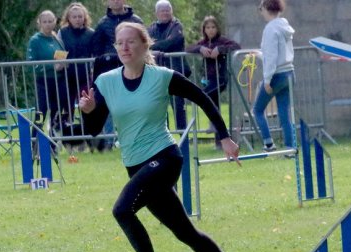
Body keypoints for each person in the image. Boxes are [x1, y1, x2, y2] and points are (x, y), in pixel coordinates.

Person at [79, 22, 254, 252]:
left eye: (130, 42)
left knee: (122, 210)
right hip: (135, 165)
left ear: (144, 45)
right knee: (186, 233)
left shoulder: (161, 77)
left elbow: (202, 97)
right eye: (119, 43)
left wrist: (224, 137)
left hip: (165, 157)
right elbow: (94, 129)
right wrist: (89, 111)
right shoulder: (106, 81)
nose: (124, 47)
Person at [91, 0, 143, 150]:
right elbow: (96, 48)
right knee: (108, 105)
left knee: (133, 103)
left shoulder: (136, 21)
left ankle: (134, 138)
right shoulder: (102, 23)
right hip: (110, 71)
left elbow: (144, 43)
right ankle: (109, 140)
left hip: (133, 67)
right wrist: (108, 57)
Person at [186, 15, 240, 148]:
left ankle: (212, 125)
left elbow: (236, 46)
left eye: (213, 27)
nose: (210, 30)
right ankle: (220, 141)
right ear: (204, 29)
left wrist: (220, 49)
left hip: (220, 78)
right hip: (208, 79)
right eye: (208, 27)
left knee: (202, 96)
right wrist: (200, 49)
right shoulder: (203, 43)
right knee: (214, 108)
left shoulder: (222, 41)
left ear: (217, 28)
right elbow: (187, 49)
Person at [253, 0, 296, 152]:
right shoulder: (284, 25)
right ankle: (290, 148)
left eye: (261, 8)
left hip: (276, 75)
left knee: (257, 110)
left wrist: (267, 79)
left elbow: (271, 57)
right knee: (284, 114)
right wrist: (259, 55)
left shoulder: (270, 29)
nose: (261, 11)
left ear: (266, 8)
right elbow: (277, 54)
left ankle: (269, 143)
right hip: (289, 73)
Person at [148, 0, 190, 131]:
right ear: (156, 13)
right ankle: (163, 134)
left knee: (178, 103)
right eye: (162, 10)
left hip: (176, 71)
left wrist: (155, 46)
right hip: (157, 72)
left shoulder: (177, 26)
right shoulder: (151, 28)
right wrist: (157, 46)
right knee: (159, 104)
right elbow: (145, 43)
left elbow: (172, 42)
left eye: (167, 9)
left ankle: (183, 134)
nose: (165, 13)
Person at [26, 10, 69, 136]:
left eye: (50, 21)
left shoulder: (57, 39)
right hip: (43, 82)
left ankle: (53, 143)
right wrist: (52, 66)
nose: (48, 24)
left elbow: (62, 57)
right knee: (41, 112)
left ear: (55, 22)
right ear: (39, 23)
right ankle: (34, 141)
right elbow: (30, 65)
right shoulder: (35, 41)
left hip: (59, 81)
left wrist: (64, 64)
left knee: (57, 113)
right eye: (45, 22)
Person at [58, 2, 95, 121]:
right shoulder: (62, 33)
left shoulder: (91, 33)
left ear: (85, 17)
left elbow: (94, 55)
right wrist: (59, 64)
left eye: (80, 16)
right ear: (68, 18)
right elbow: (59, 51)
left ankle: (89, 136)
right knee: (66, 108)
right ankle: (66, 136)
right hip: (66, 76)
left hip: (84, 76)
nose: (77, 19)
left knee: (86, 106)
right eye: (74, 17)